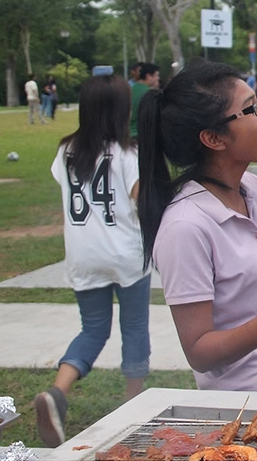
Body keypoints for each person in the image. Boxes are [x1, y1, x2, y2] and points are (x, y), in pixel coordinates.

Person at [137, 62, 257, 393]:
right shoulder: (186, 226)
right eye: (252, 108)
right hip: (239, 416)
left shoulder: (252, 188)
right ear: (213, 138)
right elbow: (199, 352)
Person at [35, 74, 152, 447]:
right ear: (121, 111)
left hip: (83, 254)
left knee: (93, 329)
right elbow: (141, 199)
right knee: (134, 328)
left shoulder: (65, 150)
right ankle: (134, 401)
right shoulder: (129, 153)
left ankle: (57, 392)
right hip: (126, 255)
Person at [130, 63, 160, 139]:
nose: (158, 78)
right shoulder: (151, 94)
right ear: (148, 76)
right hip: (144, 134)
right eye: (156, 75)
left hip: (129, 134)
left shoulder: (129, 90)